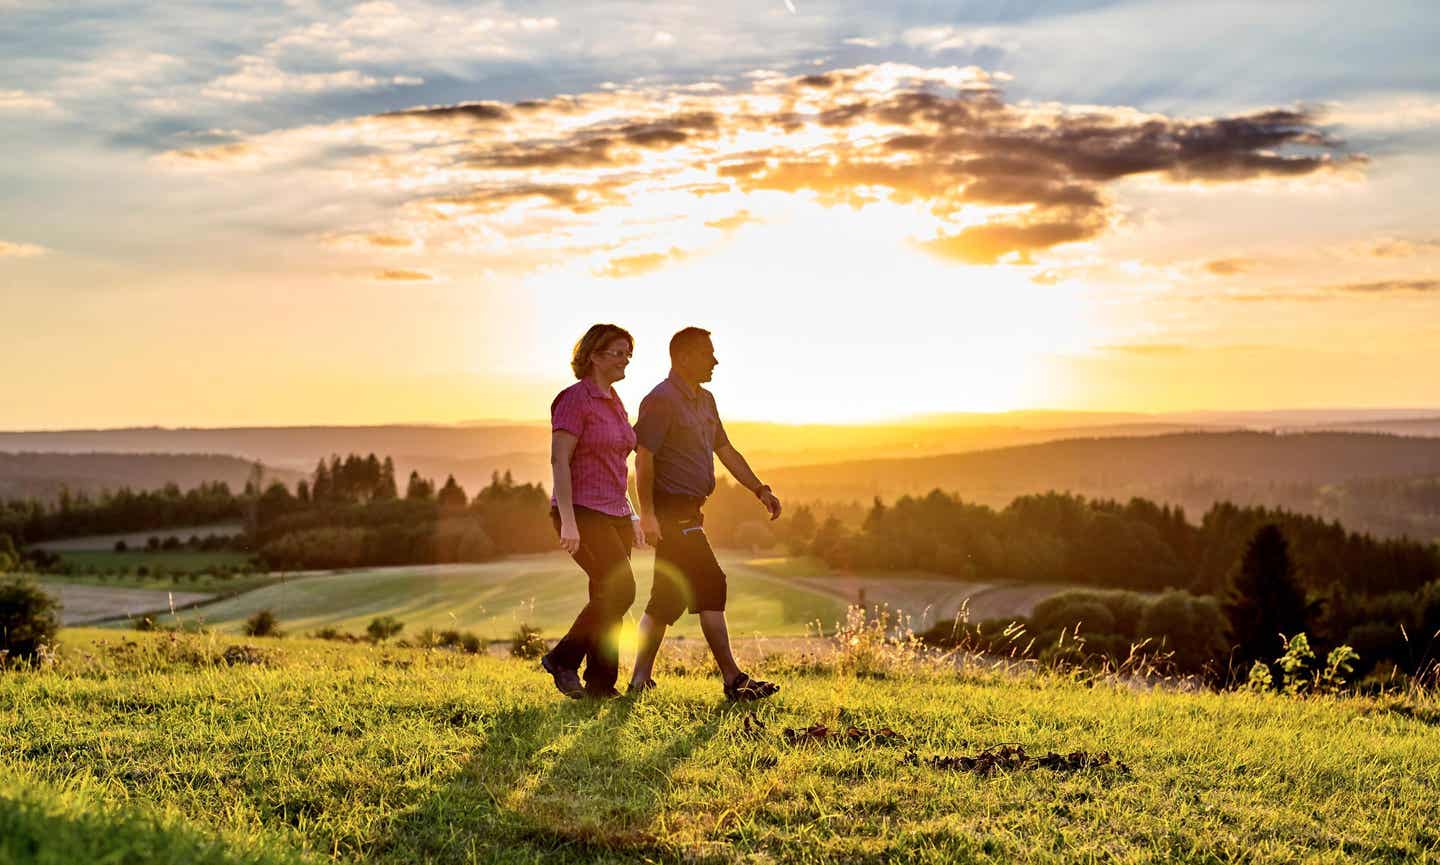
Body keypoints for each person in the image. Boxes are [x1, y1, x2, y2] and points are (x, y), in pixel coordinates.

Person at [627, 327, 783, 701]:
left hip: (692, 511)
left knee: (665, 599)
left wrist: (760, 489)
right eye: (707, 353)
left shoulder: (707, 400)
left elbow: (725, 450)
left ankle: (638, 682)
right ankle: (733, 679)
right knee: (711, 583)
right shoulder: (660, 400)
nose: (715, 361)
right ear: (682, 358)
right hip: (671, 511)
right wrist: (647, 514)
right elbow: (643, 458)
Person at [540, 323, 645, 699]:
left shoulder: (615, 401)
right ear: (594, 355)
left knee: (607, 596)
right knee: (622, 589)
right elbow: (559, 460)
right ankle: (562, 658)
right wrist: (568, 519)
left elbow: (616, 465)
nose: (625, 360)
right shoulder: (574, 399)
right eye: (617, 352)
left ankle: (601, 684)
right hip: (582, 511)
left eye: (628, 353)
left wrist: (631, 513)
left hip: (615, 512)